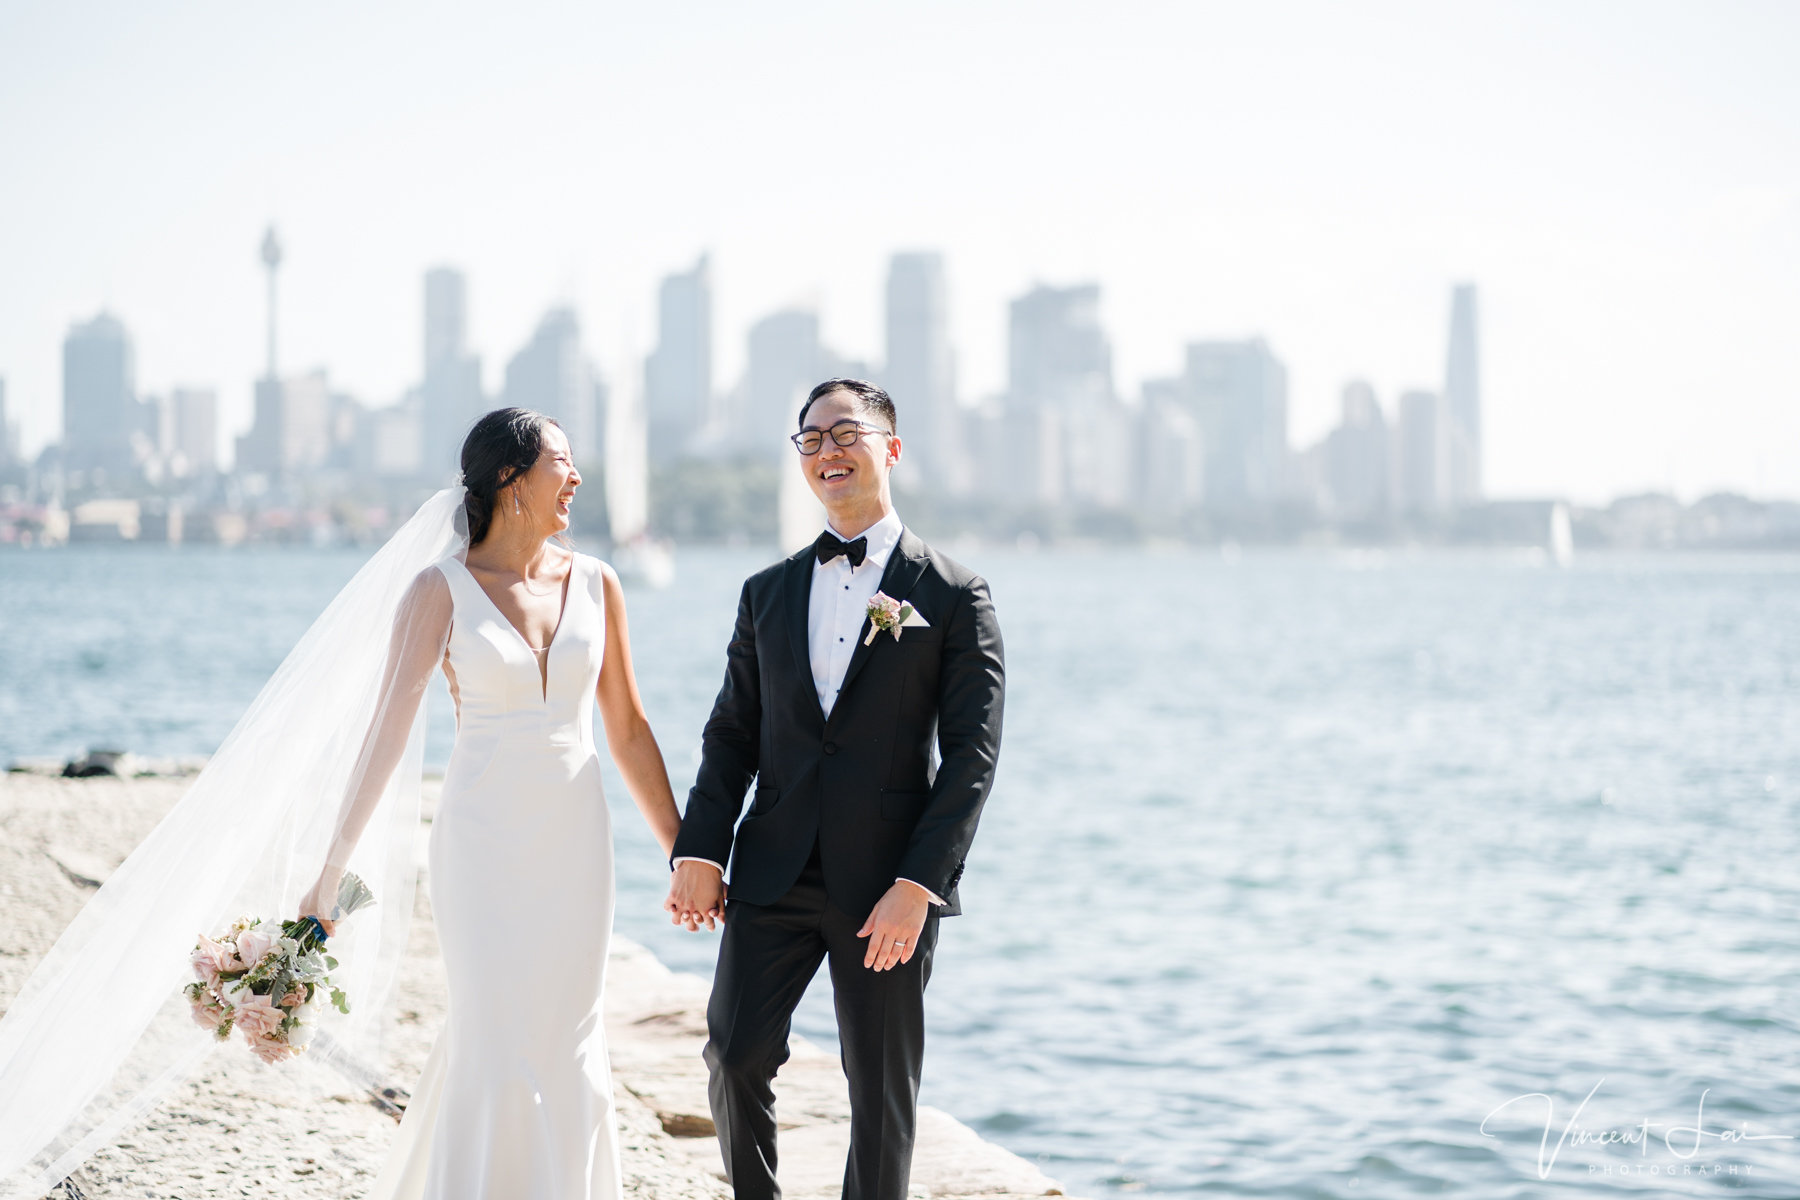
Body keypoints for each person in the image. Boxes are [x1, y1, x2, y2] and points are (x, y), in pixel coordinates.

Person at [303, 408, 685, 1200]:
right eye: (561, 462)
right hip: (480, 846)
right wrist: (330, 872)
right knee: (491, 1031)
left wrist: (685, 854)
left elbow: (630, 730)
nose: (577, 478)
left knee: (570, 1037)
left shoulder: (598, 583)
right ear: (510, 479)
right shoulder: (438, 591)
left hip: (577, 846)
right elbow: (385, 737)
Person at [664, 379, 1006, 1200]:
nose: (827, 452)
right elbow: (731, 736)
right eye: (810, 440)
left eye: (844, 433)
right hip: (772, 870)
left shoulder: (954, 594)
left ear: (890, 447)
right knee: (734, 1054)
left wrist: (918, 886)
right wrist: (700, 850)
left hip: (886, 884)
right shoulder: (767, 592)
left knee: (880, 1093)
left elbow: (972, 755)